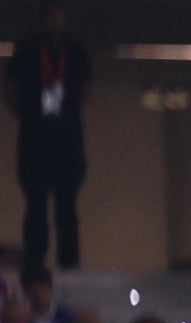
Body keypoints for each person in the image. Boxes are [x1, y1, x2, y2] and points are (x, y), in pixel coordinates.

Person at [6, 3, 90, 271]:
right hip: (35, 139)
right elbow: (10, 89)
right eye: (51, 18)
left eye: (59, 18)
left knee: (67, 205)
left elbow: (86, 90)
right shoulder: (27, 52)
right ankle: (35, 260)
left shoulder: (75, 53)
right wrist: (27, 114)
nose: (55, 23)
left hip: (67, 139)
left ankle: (69, 261)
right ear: (43, 21)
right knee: (36, 204)